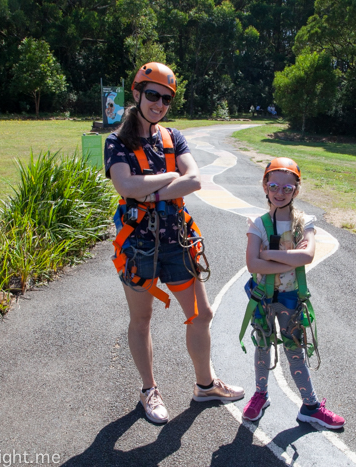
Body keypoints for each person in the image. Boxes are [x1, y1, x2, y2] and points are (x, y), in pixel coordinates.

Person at [104, 62, 244, 424]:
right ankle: (149, 391)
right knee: (142, 319)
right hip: (138, 245)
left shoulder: (173, 137)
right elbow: (126, 187)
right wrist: (168, 179)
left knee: (201, 314)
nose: (159, 103)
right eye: (152, 95)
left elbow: (194, 180)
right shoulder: (116, 141)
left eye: (166, 98)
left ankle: (205, 384)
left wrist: (147, 188)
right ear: (136, 94)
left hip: (176, 240)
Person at [240, 157, 345, 429]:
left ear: (297, 190)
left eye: (288, 188)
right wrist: (291, 257)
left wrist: (269, 253)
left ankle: (310, 406)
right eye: (273, 185)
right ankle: (260, 394)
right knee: (263, 345)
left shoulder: (304, 222)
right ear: (264, 185)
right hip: (262, 297)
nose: (280, 192)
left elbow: (308, 256)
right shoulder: (258, 223)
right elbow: (252, 264)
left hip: (291, 299)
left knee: (295, 350)